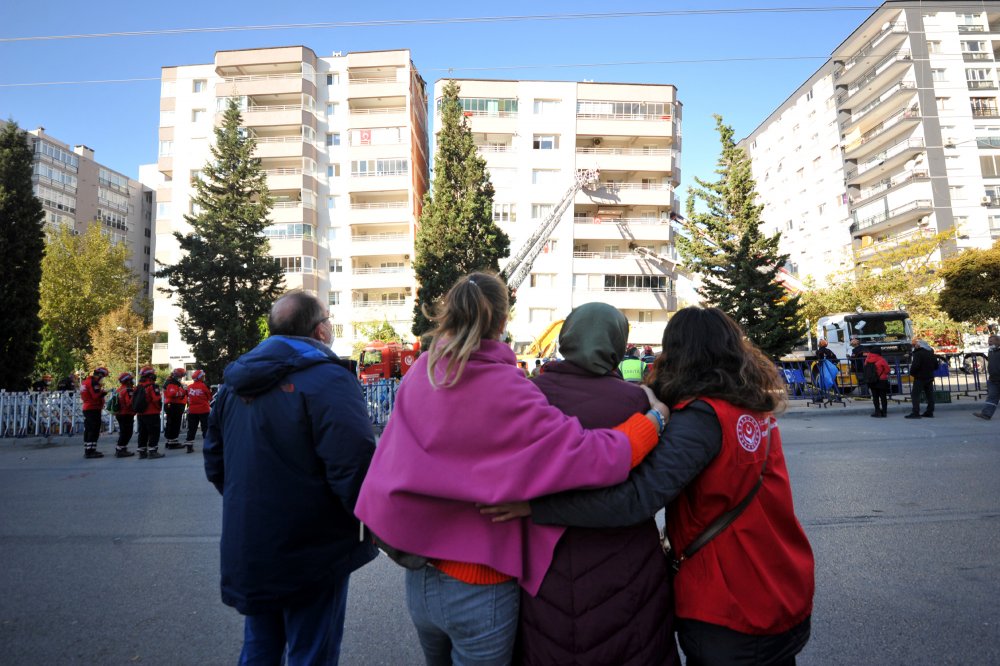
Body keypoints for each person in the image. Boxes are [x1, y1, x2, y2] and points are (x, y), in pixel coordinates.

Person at [354, 272, 667, 666]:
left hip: (419, 576)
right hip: (478, 583)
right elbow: (588, 455)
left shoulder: (423, 372)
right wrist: (653, 421)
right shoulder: (506, 387)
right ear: (503, 321)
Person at [485, 307, 815, 666]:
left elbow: (635, 499)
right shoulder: (750, 407)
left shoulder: (701, 419)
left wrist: (537, 508)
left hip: (731, 603)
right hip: (780, 586)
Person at [204, 292, 378, 665]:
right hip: (314, 550)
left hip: (252, 541)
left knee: (259, 647)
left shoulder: (234, 383)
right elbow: (354, 467)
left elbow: (216, 464)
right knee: (311, 651)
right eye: (328, 319)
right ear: (320, 330)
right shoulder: (328, 378)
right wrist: (373, 523)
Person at [516, 302, 677, 665]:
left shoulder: (530, 395)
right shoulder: (635, 402)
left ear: (567, 337)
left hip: (546, 559)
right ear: (616, 343)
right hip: (626, 558)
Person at [135, 366, 165, 459]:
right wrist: (159, 408)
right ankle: (152, 451)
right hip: (151, 413)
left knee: (142, 433)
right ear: (150, 375)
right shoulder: (152, 386)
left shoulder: (138, 386)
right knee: (154, 433)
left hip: (140, 414)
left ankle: (142, 452)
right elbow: (156, 399)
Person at [80, 367, 110, 459]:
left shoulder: (85, 381)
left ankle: (88, 449)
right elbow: (95, 396)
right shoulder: (93, 382)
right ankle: (90, 451)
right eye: (103, 377)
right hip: (93, 408)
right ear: (100, 375)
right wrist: (103, 393)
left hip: (87, 408)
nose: (102, 379)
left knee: (89, 429)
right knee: (94, 430)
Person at [906, 338, 937, 419]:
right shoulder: (931, 353)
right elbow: (936, 365)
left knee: (915, 395)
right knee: (930, 395)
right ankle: (930, 411)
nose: (915, 345)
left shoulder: (918, 353)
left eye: (916, 344)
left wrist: (912, 373)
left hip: (920, 377)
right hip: (929, 376)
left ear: (920, 345)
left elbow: (915, 366)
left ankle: (915, 412)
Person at [973, 335, 1000, 421]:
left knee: (992, 397)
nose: (989, 343)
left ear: (998, 341)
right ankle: (986, 414)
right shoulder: (991, 351)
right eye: (989, 341)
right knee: (992, 397)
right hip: (993, 379)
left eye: (991, 341)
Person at [184, 369, 211, 453]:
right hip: (204, 410)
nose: (204, 377)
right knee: (205, 428)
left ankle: (189, 446)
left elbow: (188, 397)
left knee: (191, 429)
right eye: (203, 376)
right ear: (200, 377)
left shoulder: (189, 387)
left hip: (192, 411)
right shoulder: (204, 386)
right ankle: (208, 446)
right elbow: (209, 397)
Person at [162, 368, 188, 449]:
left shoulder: (172, 381)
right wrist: (183, 391)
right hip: (174, 405)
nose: (182, 377)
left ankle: (170, 441)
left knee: (172, 423)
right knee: (174, 424)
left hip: (173, 405)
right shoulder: (172, 382)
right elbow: (172, 393)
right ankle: (172, 443)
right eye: (182, 376)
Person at [113, 372, 137, 457]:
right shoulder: (128, 390)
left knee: (124, 432)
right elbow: (129, 403)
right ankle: (120, 449)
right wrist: (135, 397)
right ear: (127, 381)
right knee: (127, 433)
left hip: (120, 414)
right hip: (126, 414)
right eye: (131, 379)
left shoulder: (119, 389)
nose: (132, 381)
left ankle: (122, 448)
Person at [862, 349, 891, 418]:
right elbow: (887, 370)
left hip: (872, 381)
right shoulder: (881, 359)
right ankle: (884, 412)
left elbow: (865, 370)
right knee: (883, 397)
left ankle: (877, 412)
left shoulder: (867, 360)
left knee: (875, 397)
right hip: (882, 380)